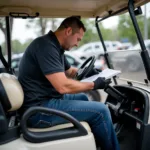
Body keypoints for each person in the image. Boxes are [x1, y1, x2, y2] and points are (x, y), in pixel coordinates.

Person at [18, 16, 119, 150]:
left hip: (45, 101)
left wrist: (87, 72)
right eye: (78, 39)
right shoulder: (45, 47)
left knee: (83, 98)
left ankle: (97, 140)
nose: (77, 44)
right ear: (68, 31)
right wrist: (94, 84)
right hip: (38, 112)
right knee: (102, 110)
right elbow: (63, 86)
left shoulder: (55, 46)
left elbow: (70, 71)